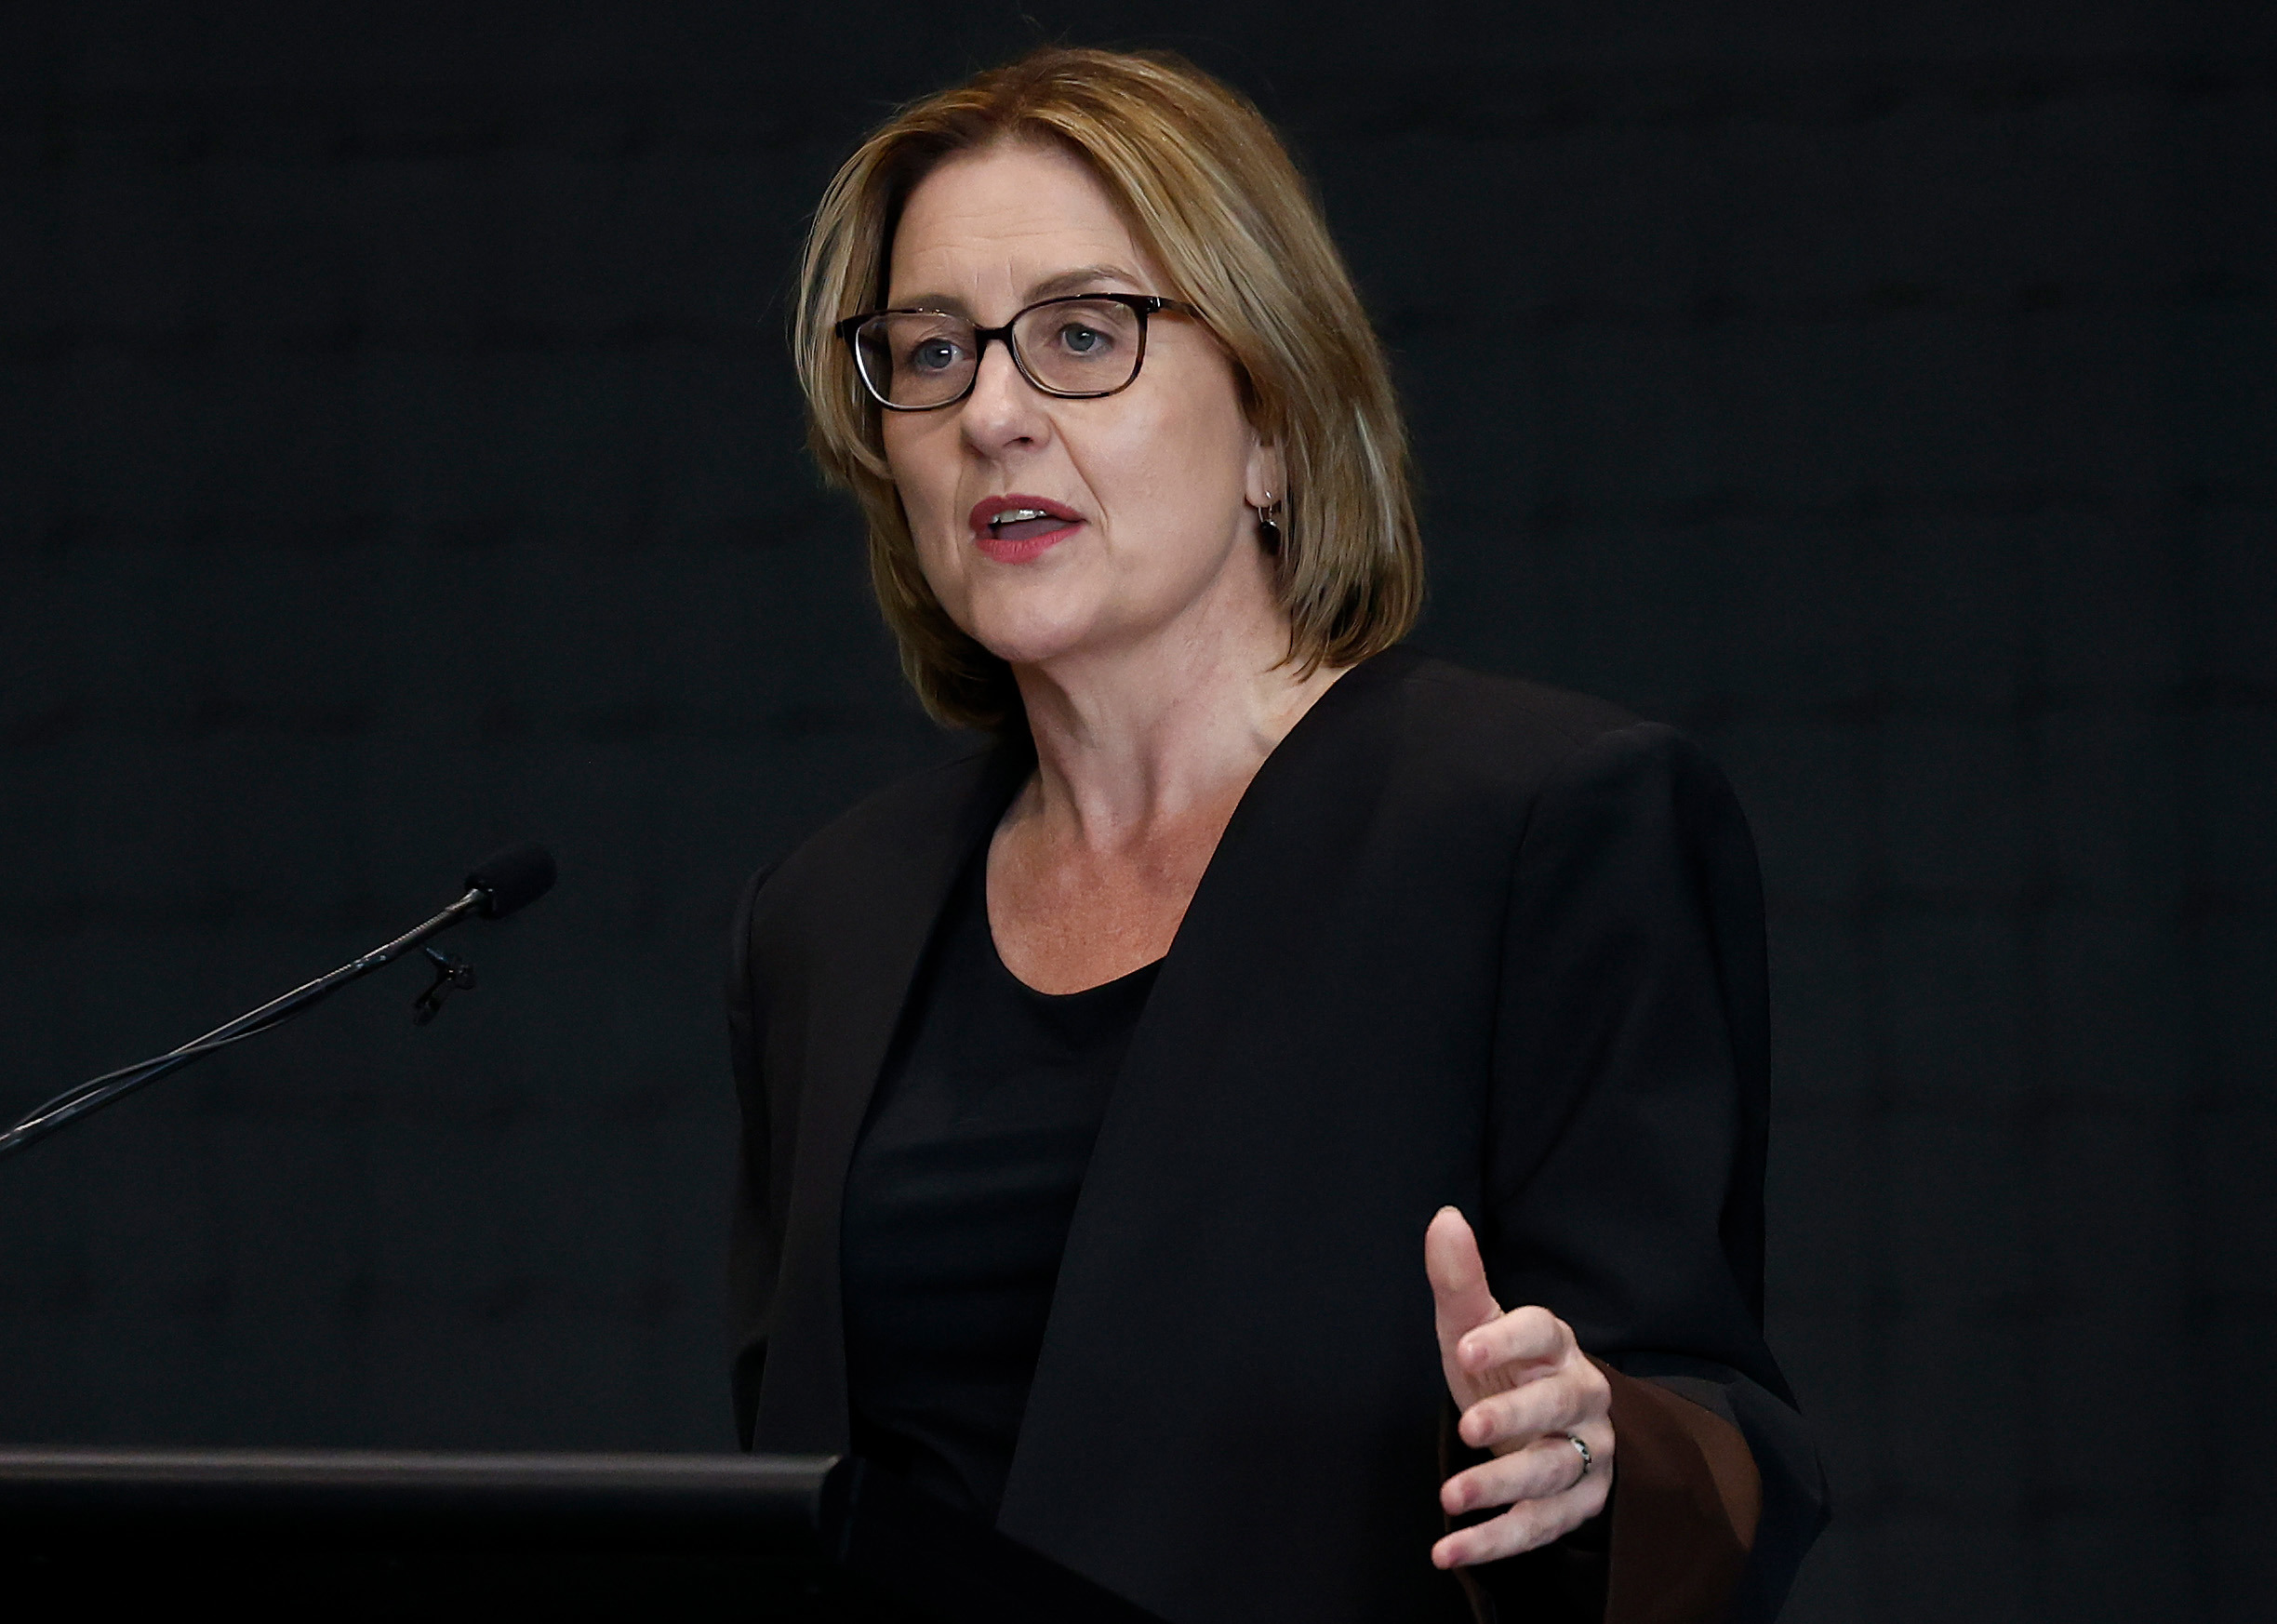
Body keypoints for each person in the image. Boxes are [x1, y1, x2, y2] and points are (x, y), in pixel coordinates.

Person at [726, 46, 1826, 1624]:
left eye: (1083, 335)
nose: (995, 414)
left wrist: (1598, 1454)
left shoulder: (1539, 825)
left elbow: (1726, 1446)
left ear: (1275, 426)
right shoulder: (823, 921)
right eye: (934, 352)